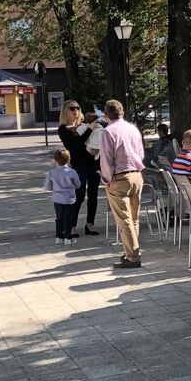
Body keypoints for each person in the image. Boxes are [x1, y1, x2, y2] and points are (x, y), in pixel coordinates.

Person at [99, 99, 146, 269]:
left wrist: (106, 179)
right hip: (136, 175)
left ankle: (132, 256)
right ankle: (131, 251)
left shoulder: (108, 132)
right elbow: (140, 153)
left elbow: (106, 159)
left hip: (119, 178)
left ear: (106, 115)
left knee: (124, 220)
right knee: (134, 218)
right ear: (122, 112)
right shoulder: (133, 129)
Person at [57, 101, 101, 237]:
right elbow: (75, 145)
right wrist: (90, 129)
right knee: (79, 196)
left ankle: (90, 224)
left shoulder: (85, 125)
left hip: (94, 163)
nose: (75, 111)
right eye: (72, 108)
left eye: (78, 108)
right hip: (78, 165)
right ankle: (72, 225)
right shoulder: (64, 129)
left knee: (93, 195)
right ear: (65, 111)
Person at [44, 148, 82, 246]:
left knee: (59, 218)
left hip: (57, 198)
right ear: (68, 159)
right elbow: (78, 185)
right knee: (68, 218)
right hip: (69, 199)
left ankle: (58, 236)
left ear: (55, 160)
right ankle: (68, 238)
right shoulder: (72, 172)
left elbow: (47, 187)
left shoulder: (51, 172)